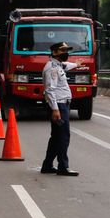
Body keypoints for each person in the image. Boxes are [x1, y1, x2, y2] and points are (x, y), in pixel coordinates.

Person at [40, 41, 79, 176]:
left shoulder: (58, 65)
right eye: (63, 50)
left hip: (61, 104)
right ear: (54, 52)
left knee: (56, 136)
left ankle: (47, 165)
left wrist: (77, 64)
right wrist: (55, 109)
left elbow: (66, 66)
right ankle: (63, 166)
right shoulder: (52, 68)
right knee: (63, 137)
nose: (66, 53)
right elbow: (50, 90)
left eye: (67, 50)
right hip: (59, 105)